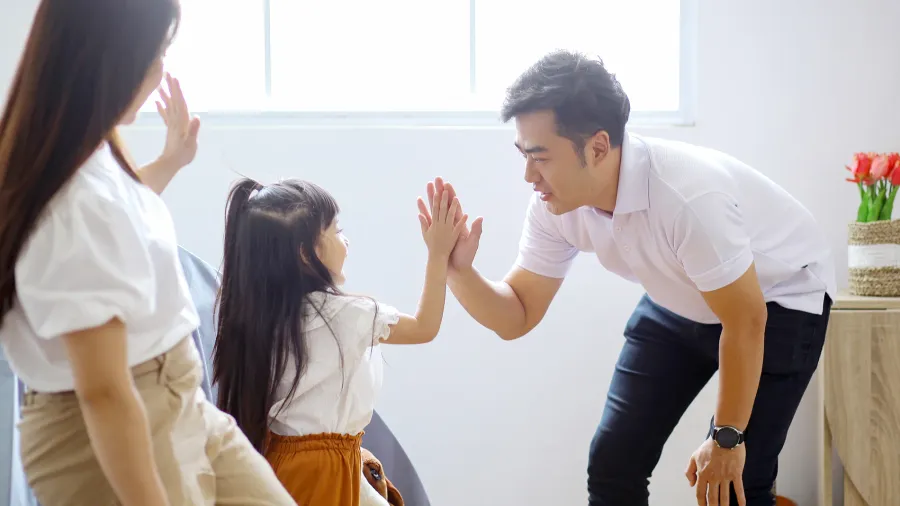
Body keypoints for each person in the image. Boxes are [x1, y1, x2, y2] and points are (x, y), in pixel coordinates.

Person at [420, 50, 835, 506]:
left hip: (778, 300)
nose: (528, 175)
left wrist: (726, 438)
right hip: (681, 295)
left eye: (540, 157)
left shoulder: (687, 197)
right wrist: (457, 270)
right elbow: (516, 314)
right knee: (613, 464)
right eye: (523, 155)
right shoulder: (554, 205)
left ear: (598, 147)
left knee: (735, 483)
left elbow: (745, 320)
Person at [0, 1, 295, 504]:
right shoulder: (71, 206)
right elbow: (104, 392)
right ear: (110, 60)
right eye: (155, 54)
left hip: (177, 398)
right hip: (121, 415)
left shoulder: (87, 158)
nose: (160, 72)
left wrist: (170, 161)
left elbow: (118, 225)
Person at [212, 177, 466, 506]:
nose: (346, 240)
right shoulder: (348, 314)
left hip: (282, 462)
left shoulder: (259, 317)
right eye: (337, 230)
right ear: (307, 253)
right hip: (325, 471)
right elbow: (424, 327)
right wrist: (438, 253)